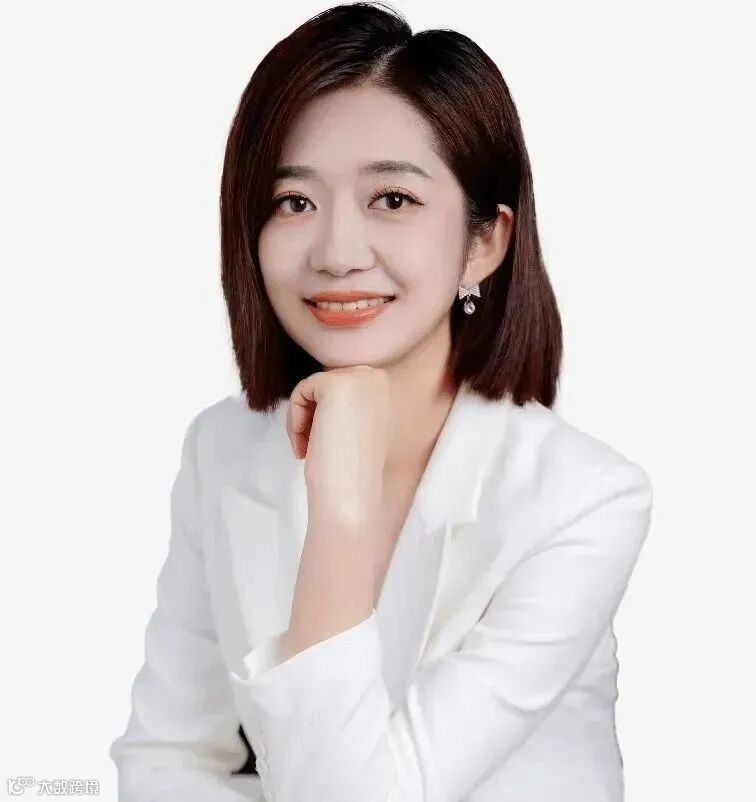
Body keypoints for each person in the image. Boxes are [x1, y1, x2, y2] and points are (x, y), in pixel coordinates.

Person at [109, 3, 653, 801]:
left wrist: (341, 518)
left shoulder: (584, 500)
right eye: (294, 203)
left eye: (392, 199)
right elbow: (166, 757)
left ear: (485, 242)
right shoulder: (222, 448)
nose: (336, 253)